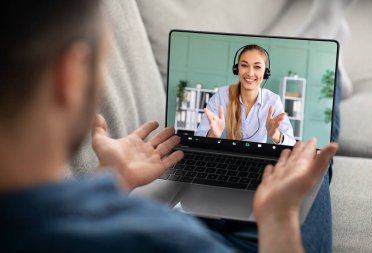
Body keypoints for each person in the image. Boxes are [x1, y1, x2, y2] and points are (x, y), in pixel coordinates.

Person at [0, 1, 338, 252]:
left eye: (257, 68)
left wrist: (111, 177)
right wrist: (279, 218)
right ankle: (334, 76)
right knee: (314, 158)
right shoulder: (164, 238)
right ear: (69, 77)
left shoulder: (273, 102)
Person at [195, 45, 296, 146]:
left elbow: (291, 143)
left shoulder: (273, 101)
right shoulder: (221, 96)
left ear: (265, 72)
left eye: (257, 67)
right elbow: (198, 136)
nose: (250, 73)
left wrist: (276, 135)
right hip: (225, 155)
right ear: (236, 68)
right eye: (244, 65)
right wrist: (212, 134)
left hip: (256, 158)